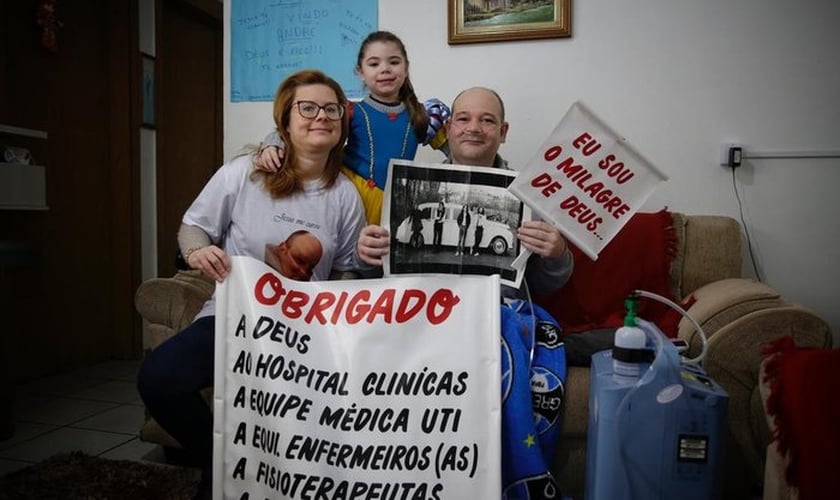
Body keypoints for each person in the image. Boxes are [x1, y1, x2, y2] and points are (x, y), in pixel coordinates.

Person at [136, 69, 367, 496]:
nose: (321, 116)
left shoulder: (346, 196)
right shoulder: (244, 172)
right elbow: (192, 228)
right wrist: (196, 252)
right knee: (158, 377)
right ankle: (223, 463)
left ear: (342, 123)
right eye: (308, 107)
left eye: (331, 109)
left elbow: (346, 272)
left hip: (306, 335)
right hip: (232, 318)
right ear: (285, 121)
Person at [355, 87, 574, 499]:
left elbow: (543, 287)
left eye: (487, 120)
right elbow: (378, 272)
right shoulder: (405, 186)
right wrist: (368, 254)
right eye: (464, 118)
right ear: (449, 127)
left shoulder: (531, 195)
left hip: (495, 319)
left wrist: (557, 253)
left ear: (503, 131)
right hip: (421, 316)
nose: (474, 128)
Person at [256, 30, 450, 225]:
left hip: (398, 201)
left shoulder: (422, 114)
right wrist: (272, 144)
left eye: (394, 62)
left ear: (406, 68)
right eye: (374, 64)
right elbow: (299, 129)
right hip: (350, 194)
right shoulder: (347, 110)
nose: (385, 69)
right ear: (360, 72)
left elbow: (459, 150)